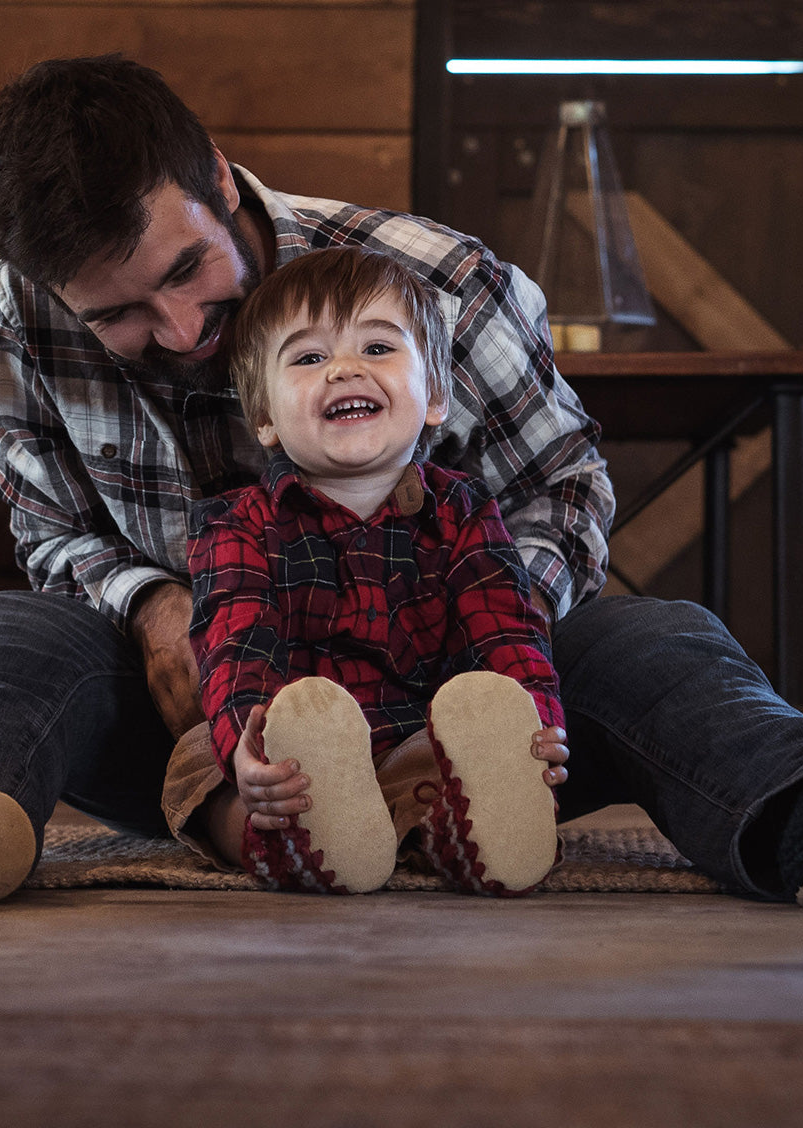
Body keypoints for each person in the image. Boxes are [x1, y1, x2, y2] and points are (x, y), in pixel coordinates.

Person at [0, 53, 803, 908]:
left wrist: (492, 638)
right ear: (46, 287)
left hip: (469, 701)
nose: (177, 332)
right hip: (212, 718)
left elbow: (566, 487)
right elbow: (49, 526)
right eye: (115, 313)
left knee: (660, 639)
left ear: (220, 181)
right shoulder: (12, 310)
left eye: (185, 272)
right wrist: (157, 607)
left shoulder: (441, 286)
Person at [176, 244, 562, 895]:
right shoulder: (236, 524)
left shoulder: (465, 513)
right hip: (295, 753)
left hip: (414, 737)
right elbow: (237, 643)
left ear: (435, 395)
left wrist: (536, 726)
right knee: (195, 768)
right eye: (309, 357)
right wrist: (249, 745)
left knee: (458, 743)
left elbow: (506, 630)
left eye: (378, 349)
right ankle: (293, 834)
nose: (344, 369)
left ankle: (461, 833)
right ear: (265, 418)